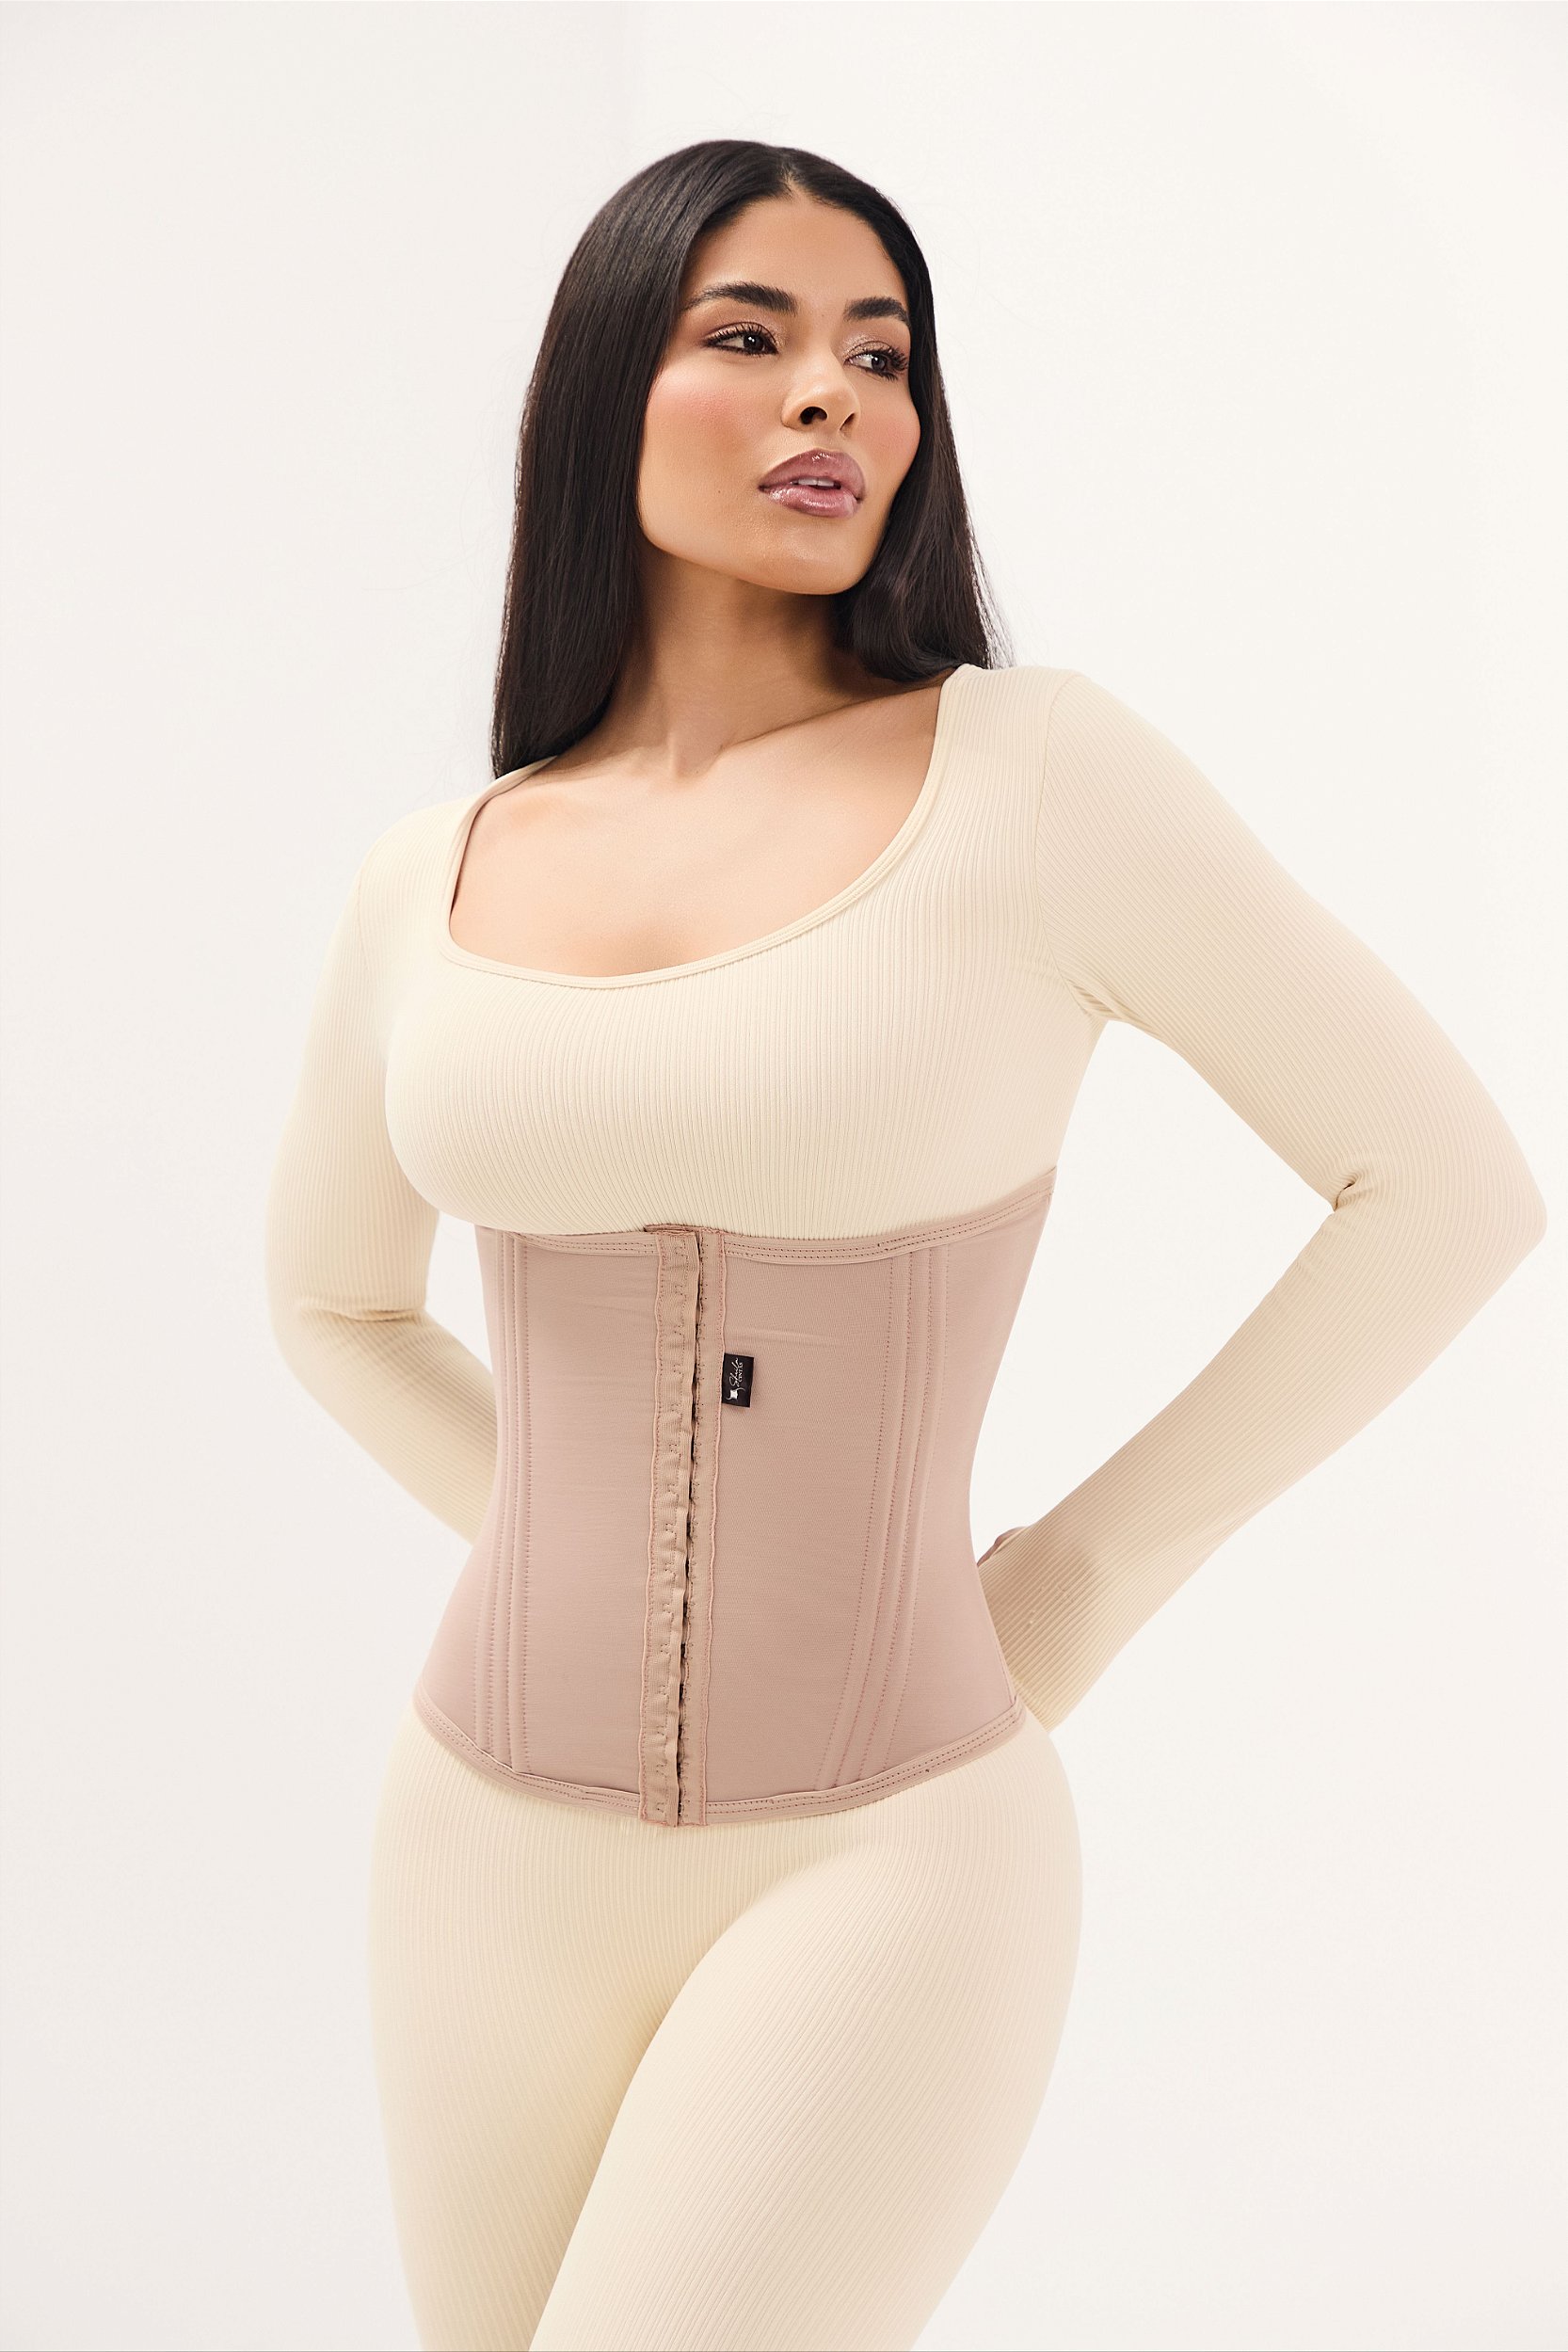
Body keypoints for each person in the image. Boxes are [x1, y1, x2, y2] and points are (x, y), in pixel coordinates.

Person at [263, 140, 1547, 2352]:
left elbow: (1441, 1188)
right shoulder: (435, 864)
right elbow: (334, 1302)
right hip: (473, 1833)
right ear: (601, 387)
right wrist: (565, 1536)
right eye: (747, 336)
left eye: (879, 354)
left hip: (887, 1848)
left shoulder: (1028, 774)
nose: (829, 397)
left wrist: (1069, 1578)